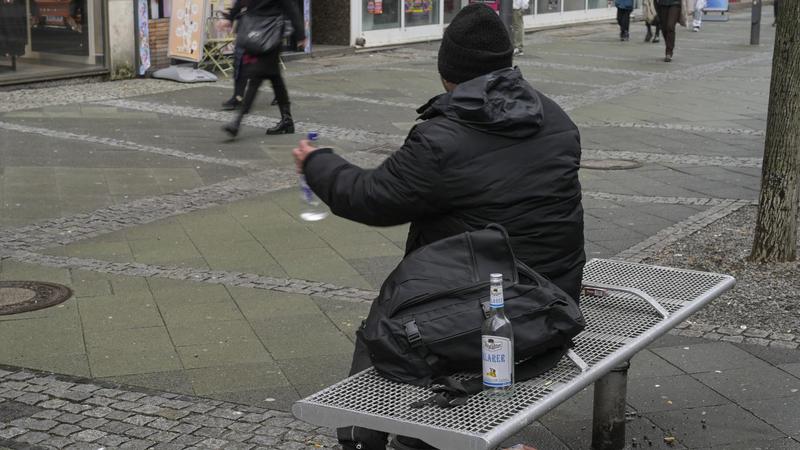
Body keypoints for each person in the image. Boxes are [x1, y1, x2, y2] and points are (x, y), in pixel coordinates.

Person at [293, 5, 585, 449]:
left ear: (446, 70)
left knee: (386, 329)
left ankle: (368, 440)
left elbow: (371, 198)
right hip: (553, 296)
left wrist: (318, 163)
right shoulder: (555, 116)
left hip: (494, 312)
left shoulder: (443, 139)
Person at [219, 0, 305, 137]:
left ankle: (237, 122)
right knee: (275, 78)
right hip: (256, 32)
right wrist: (229, 18)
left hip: (270, 34)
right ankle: (287, 121)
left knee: (256, 76)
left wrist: (301, 34)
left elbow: (291, 8)